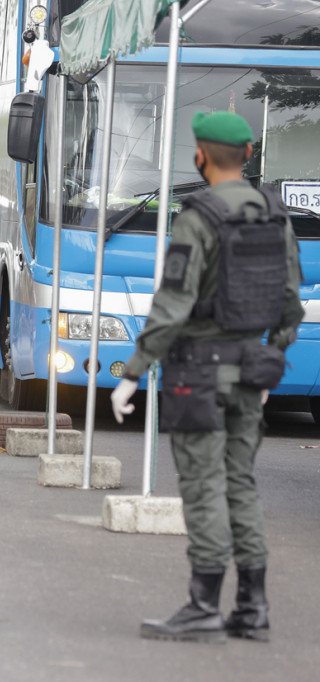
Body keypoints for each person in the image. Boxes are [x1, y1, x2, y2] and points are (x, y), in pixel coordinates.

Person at [111, 111, 304, 644]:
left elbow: (173, 303)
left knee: (203, 487)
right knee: (240, 483)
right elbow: (292, 305)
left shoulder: (198, 215)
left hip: (198, 375)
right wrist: (271, 362)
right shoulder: (273, 214)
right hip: (251, 370)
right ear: (247, 156)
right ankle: (253, 607)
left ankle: (202, 604)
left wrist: (133, 372)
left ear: (200, 156)